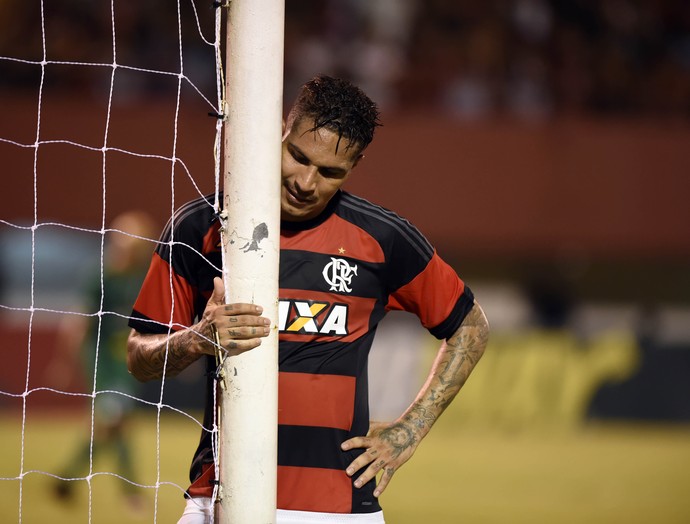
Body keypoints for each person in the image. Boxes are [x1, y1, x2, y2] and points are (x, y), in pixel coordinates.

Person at [126, 75, 489, 523]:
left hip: (337, 511)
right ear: (279, 132)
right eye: (298, 156)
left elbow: (470, 325)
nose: (306, 181)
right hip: (217, 498)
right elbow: (139, 358)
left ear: (355, 166)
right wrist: (196, 339)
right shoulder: (200, 227)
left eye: (330, 172)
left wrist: (410, 430)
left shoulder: (382, 239)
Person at [52, 211, 156, 511]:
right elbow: (78, 320)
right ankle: (131, 493)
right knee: (114, 420)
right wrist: (64, 361)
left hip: (126, 359)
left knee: (114, 425)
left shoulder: (140, 277)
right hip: (100, 360)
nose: (122, 249)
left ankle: (67, 480)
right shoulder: (101, 275)